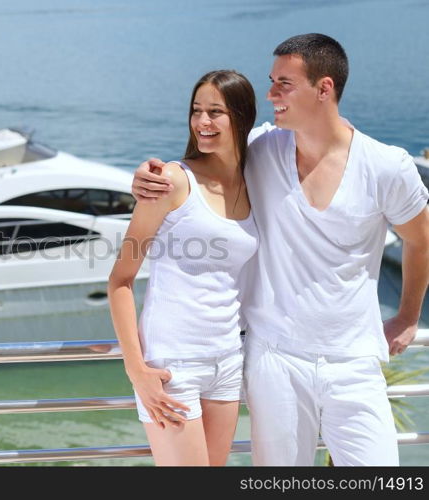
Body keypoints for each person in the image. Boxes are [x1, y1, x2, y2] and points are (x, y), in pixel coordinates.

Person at [131, 33, 429, 466]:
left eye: (283, 84)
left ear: (324, 89)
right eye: (272, 82)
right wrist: (146, 175)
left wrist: (406, 315)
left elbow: (421, 238)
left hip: (355, 363)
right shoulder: (262, 149)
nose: (270, 94)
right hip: (274, 362)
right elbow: (202, 161)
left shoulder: (386, 166)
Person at [107, 70, 259, 466]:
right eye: (196, 111)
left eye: (215, 112)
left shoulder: (255, 181)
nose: (202, 123)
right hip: (172, 365)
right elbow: (120, 281)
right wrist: (136, 370)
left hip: (227, 359)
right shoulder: (172, 181)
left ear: (241, 117)